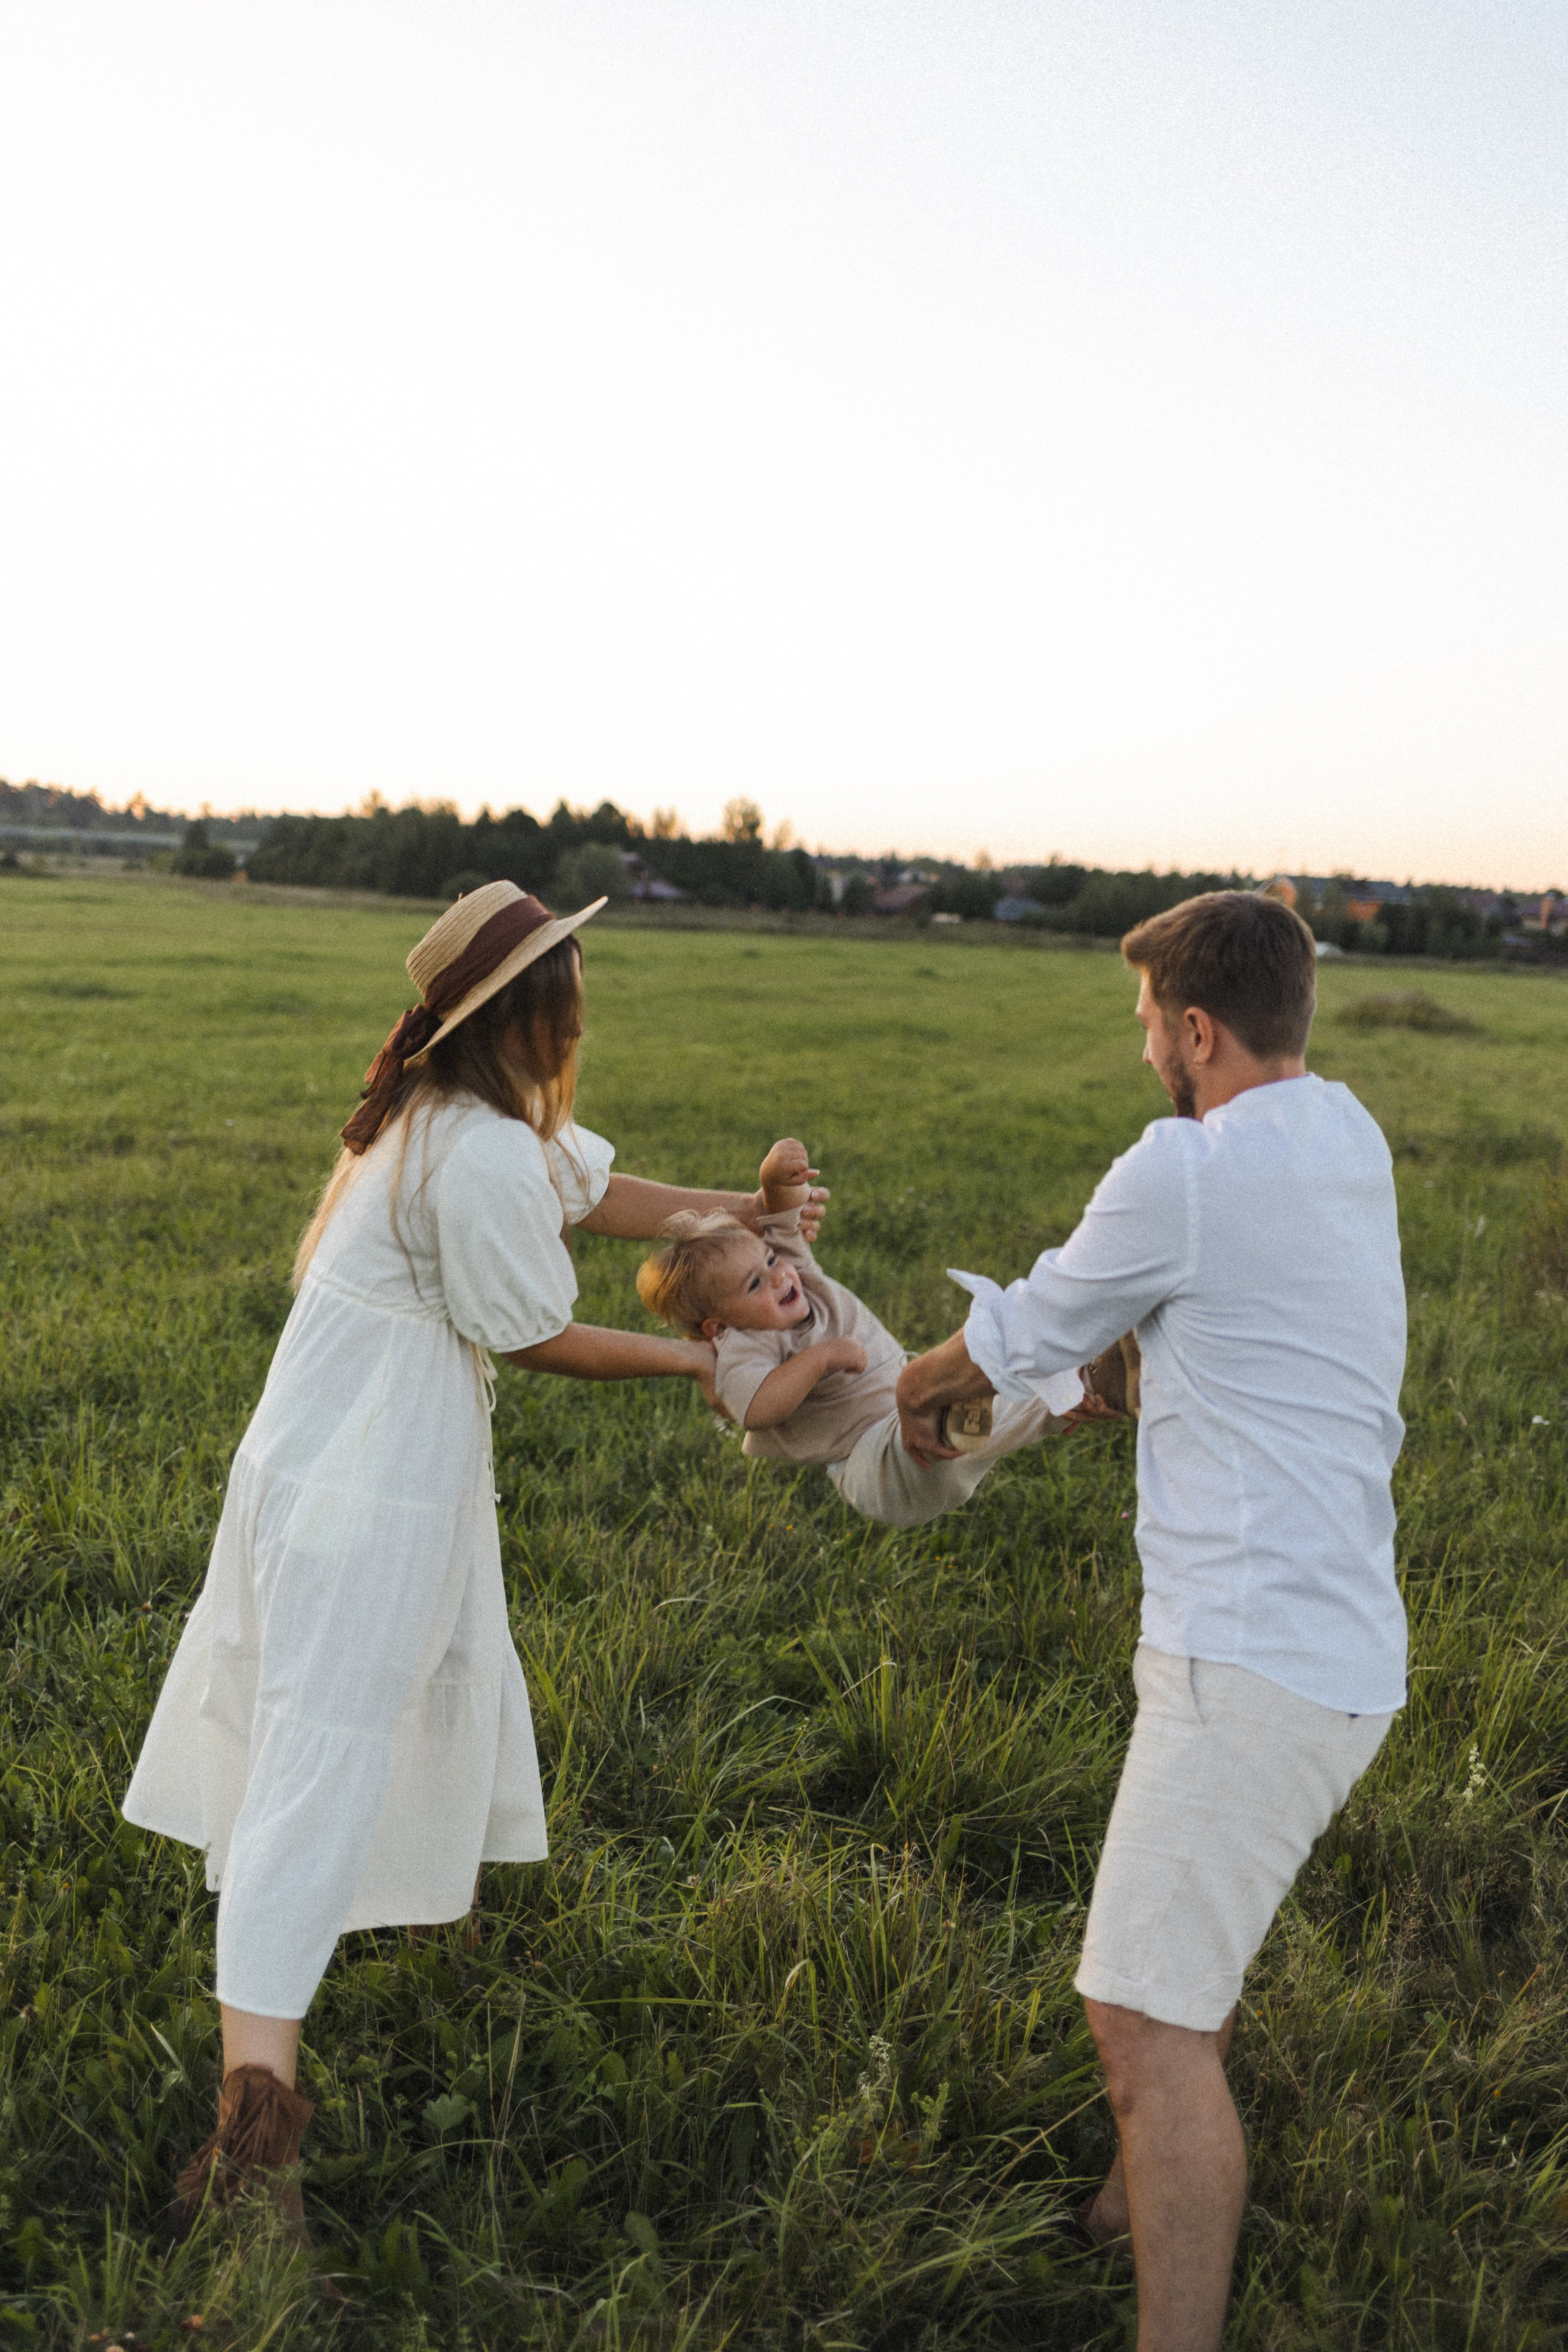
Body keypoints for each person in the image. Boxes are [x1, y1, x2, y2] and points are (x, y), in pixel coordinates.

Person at [123, 880, 826, 2242]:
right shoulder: (481, 1154)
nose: (583, 998)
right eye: (571, 977)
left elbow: (596, 1189)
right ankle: (252, 2144)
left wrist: (740, 1205)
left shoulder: (443, 1119)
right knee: (315, 1771)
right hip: (364, 1489)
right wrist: (701, 1357)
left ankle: (376, 1929)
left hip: (330, 1468)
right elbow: (527, 1333)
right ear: (535, 1015)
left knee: (334, 1735)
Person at [894, 891, 1406, 2352]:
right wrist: (1102, 1371)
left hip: (1245, 1657)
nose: (1140, 1057)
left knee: (1142, 2028)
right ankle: (1127, 2208)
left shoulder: (1180, 1164)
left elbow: (1008, 1339)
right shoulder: (1345, 1138)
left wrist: (892, 1395)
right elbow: (1187, 1333)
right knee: (1188, 1959)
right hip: (1337, 1647)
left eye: (1145, 1030)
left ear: (1194, 1029)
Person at [636, 1138, 1134, 1525]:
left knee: (1009, 1409)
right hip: (869, 1460)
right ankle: (954, 1405)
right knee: (934, 1435)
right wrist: (823, 1358)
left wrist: (775, 1177)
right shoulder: (744, 1346)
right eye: (754, 1284)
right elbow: (757, 1409)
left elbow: (781, 1218)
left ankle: (1084, 1387)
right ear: (718, 1325)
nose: (780, 1276)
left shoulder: (796, 1272)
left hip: (904, 1414)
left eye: (769, 1261)